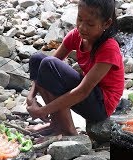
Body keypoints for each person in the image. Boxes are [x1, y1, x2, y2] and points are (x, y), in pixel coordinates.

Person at [26, 0, 124, 136]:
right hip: (88, 96)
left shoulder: (109, 48)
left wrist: (42, 111)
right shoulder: (76, 35)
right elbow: (44, 67)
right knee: (37, 59)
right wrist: (31, 96)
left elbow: (83, 91)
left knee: (49, 64)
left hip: (101, 105)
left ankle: (69, 131)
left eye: (90, 24)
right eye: (79, 19)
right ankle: (57, 124)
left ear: (106, 24)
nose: (82, 27)